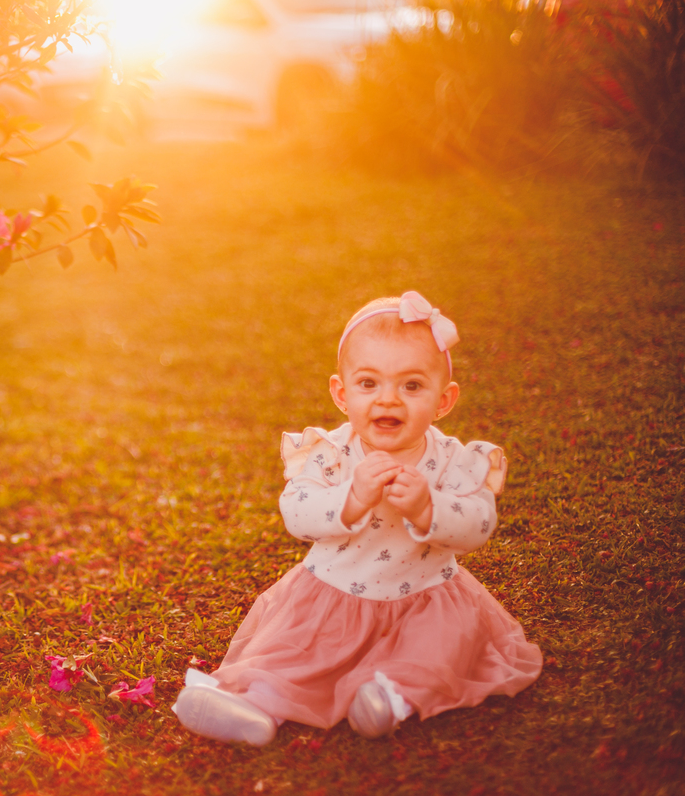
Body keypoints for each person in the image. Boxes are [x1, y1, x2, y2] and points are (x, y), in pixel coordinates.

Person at [172, 291, 542, 745]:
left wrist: (429, 508)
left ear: (443, 401)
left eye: (411, 386)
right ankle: (253, 704)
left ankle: (390, 699)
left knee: (434, 653)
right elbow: (297, 512)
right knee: (296, 657)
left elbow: (480, 524)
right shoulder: (329, 454)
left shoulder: (454, 460)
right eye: (369, 384)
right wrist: (352, 498)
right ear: (342, 394)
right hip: (332, 598)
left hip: (425, 600)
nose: (389, 400)